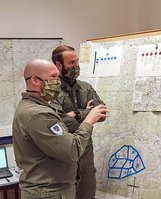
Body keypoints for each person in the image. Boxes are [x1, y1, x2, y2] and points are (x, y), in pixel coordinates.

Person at [12, 59, 108, 198]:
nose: (58, 82)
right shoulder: (38, 114)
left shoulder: (37, 107)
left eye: (58, 77)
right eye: (53, 77)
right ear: (35, 80)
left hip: (53, 190)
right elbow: (72, 150)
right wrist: (88, 120)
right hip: (49, 193)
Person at [51, 45, 105, 199]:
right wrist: (89, 115)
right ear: (58, 65)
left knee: (87, 194)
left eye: (77, 61)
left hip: (86, 153)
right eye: (71, 63)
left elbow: (102, 113)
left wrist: (76, 113)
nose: (76, 66)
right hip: (64, 154)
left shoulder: (85, 87)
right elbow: (58, 123)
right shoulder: (50, 91)